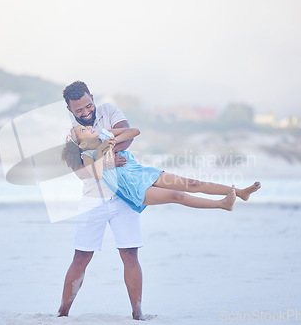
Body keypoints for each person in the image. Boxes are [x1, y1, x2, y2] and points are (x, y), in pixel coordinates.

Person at [57, 81, 146, 320]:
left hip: (122, 194)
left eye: (88, 106)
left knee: (129, 254)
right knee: (81, 257)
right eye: (79, 111)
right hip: (92, 197)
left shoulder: (109, 111)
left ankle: (138, 314)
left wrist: (103, 155)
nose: (86, 113)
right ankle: (62, 313)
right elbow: (81, 173)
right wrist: (107, 162)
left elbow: (129, 136)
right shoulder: (71, 134)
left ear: (92, 98)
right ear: (70, 110)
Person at [63, 125, 261, 213]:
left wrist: (116, 139)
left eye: (85, 126)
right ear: (80, 144)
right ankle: (222, 204)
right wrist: (102, 150)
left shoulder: (105, 133)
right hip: (130, 187)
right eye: (83, 130)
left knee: (192, 183)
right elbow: (97, 174)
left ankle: (241, 192)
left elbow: (134, 131)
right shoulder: (87, 156)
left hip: (140, 172)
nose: (88, 127)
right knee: (178, 196)